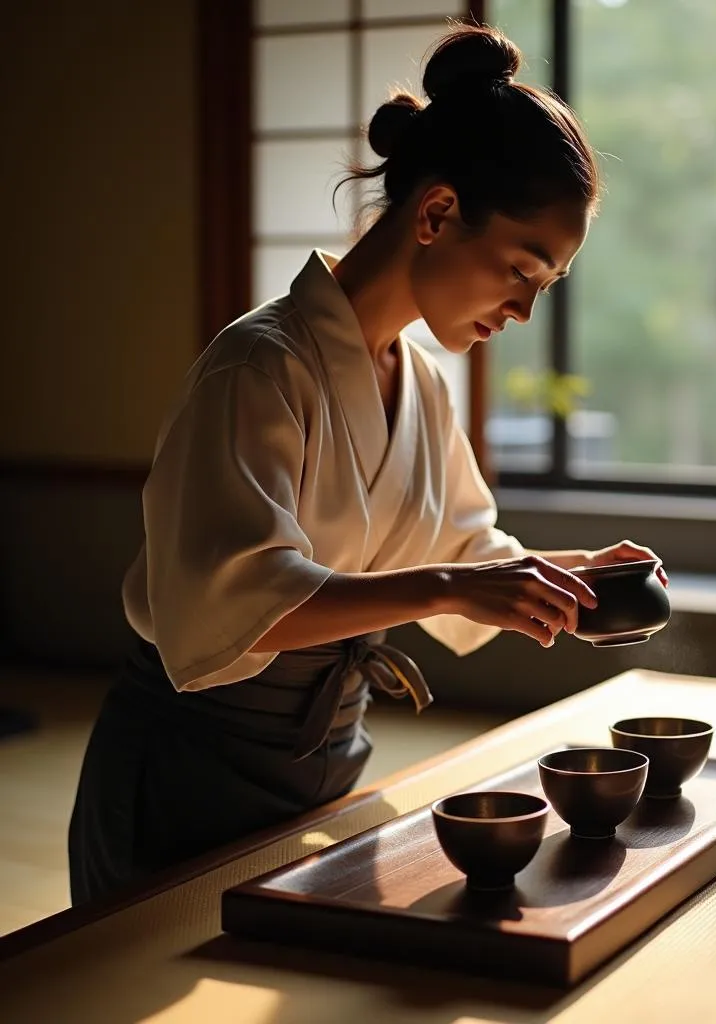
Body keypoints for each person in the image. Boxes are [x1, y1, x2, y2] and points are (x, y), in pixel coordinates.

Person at [68, 24, 667, 906]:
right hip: (189, 770)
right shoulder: (257, 366)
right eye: (521, 270)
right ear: (435, 213)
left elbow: (464, 551)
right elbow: (236, 604)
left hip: (326, 761)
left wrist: (569, 578)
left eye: (547, 285)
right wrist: (445, 589)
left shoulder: (419, 381)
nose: (525, 309)